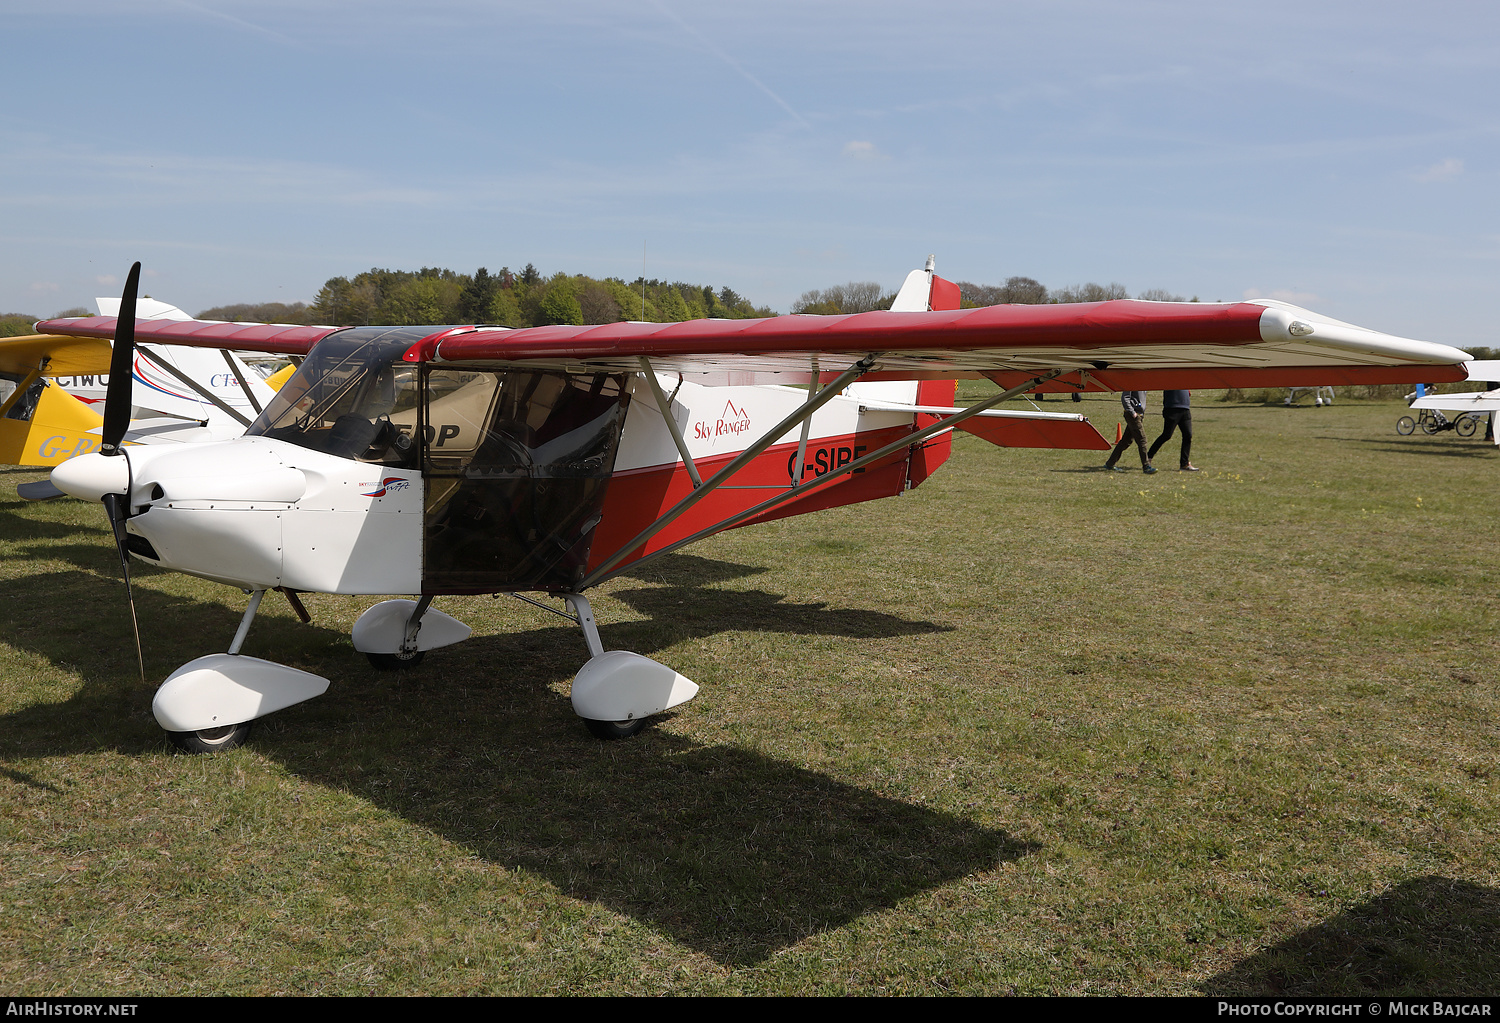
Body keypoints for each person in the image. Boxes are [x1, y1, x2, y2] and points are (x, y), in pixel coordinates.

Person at [1104, 390, 1155, 473]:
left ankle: (1110, 463)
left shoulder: (1143, 382)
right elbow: (1125, 397)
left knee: (1126, 441)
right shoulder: (1131, 381)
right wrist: (1132, 412)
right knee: (1142, 440)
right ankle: (1146, 466)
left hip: (1139, 415)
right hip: (1133, 415)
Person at [1148, 390, 1198, 471]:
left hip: (1185, 408)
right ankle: (1148, 457)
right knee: (1167, 435)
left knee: (1188, 435)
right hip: (1172, 407)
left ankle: (1184, 464)